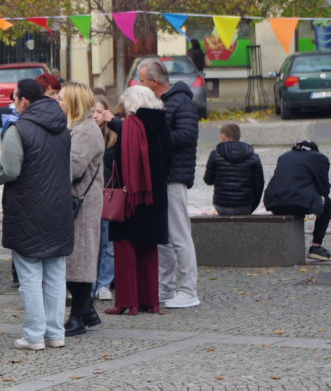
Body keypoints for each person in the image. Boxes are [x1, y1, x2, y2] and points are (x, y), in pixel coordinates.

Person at [0, 79, 73, 351]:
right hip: (59, 209)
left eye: (14, 98)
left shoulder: (18, 129)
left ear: (24, 101)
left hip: (26, 209)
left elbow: (10, 171)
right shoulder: (63, 128)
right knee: (56, 275)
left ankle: (35, 335)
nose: (12, 103)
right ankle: (56, 332)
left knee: (30, 276)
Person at [100, 85, 171, 316]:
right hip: (156, 195)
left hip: (131, 196)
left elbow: (120, 158)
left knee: (125, 247)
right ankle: (151, 300)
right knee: (149, 249)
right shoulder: (161, 123)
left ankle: (128, 301)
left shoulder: (131, 125)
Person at [137, 59, 200, 309]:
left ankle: (188, 288)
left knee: (179, 235)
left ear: (154, 82)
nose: (138, 84)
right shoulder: (161, 103)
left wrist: (154, 138)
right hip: (161, 177)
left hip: (174, 177)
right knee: (162, 236)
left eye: (141, 80)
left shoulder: (180, 102)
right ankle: (166, 287)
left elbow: (187, 135)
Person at [58, 83, 105, 337]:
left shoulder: (85, 131)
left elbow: (73, 167)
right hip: (80, 199)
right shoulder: (78, 127)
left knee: (81, 258)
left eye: (62, 99)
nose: (58, 102)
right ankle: (86, 310)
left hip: (83, 200)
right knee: (77, 256)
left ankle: (77, 316)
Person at [263, 140, 331, 260]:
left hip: (273, 202)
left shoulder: (285, 156)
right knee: (328, 203)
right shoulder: (319, 159)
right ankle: (316, 246)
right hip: (297, 203)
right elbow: (324, 189)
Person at [91, 94, 118, 301]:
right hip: (90, 194)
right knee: (92, 242)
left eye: (99, 111)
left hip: (108, 194)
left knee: (108, 242)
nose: (95, 115)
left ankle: (104, 283)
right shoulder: (86, 133)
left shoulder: (113, 136)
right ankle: (90, 283)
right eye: (92, 111)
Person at [204, 123, 264, 216]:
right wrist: (252, 206)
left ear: (223, 136)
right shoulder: (253, 156)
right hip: (244, 206)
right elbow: (259, 185)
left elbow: (208, 180)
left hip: (221, 206)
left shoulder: (215, 154)